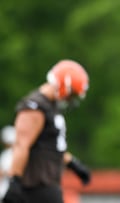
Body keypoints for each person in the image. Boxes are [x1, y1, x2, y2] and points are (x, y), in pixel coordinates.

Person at [1, 59, 90, 203]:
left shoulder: (50, 107)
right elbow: (21, 145)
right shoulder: (35, 107)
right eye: (72, 94)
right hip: (33, 186)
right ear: (64, 86)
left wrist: (73, 164)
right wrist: (14, 180)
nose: (70, 99)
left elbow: (50, 146)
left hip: (47, 185)